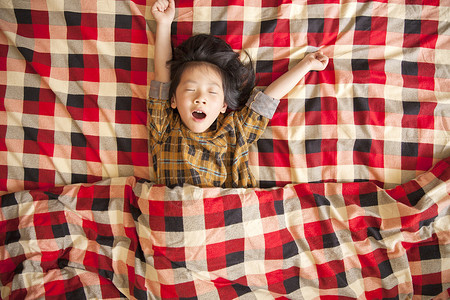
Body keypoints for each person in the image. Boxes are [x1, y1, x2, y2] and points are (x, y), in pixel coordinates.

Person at [149, 0, 329, 188]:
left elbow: (268, 98)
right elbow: (162, 78)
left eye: (212, 92)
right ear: (173, 100)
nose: (200, 98)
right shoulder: (165, 127)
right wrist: (163, 23)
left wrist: (307, 65)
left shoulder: (235, 130)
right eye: (190, 89)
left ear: (223, 105)